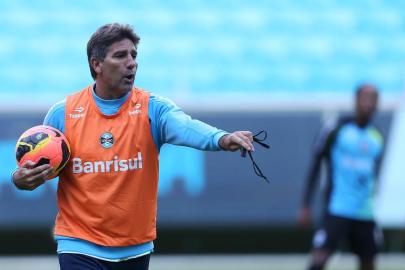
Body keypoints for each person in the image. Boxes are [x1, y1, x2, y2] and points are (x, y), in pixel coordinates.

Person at [12, 23, 256, 270]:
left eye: (133, 55)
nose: (132, 63)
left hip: (134, 247)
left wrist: (222, 139)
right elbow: (38, 169)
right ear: (97, 65)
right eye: (120, 56)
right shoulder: (63, 113)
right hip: (79, 243)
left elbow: (186, 126)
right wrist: (21, 179)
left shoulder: (153, 108)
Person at [298, 84, 384, 270]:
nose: (369, 103)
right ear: (356, 100)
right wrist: (306, 204)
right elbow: (315, 164)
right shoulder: (337, 129)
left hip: (365, 212)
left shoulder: (376, 137)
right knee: (319, 260)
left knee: (368, 262)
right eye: (365, 98)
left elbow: (373, 174)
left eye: (373, 98)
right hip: (338, 208)